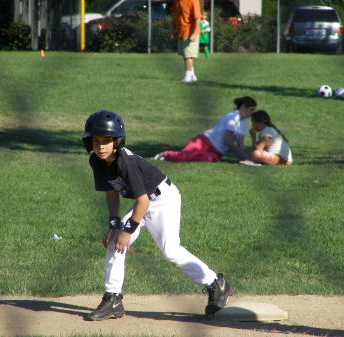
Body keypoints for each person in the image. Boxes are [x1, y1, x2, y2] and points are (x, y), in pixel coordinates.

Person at [83, 110, 233, 321]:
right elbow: (111, 193)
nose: (100, 146)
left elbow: (144, 201)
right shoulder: (96, 161)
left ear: (117, 141)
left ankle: (217, 284)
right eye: (96, 140)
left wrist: (128, 230)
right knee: (114, 243)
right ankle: (113, 299)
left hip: (163, 200)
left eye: (106, 140)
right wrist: (114, 224)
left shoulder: (125, 162)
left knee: (170, 251)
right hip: (142, 202)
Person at [153, 96, 257, 162]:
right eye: (251, 110)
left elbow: (241, 142)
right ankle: (165, 154)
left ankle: (170, 158)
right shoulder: (233, 117)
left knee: (206, 159)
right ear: (243, 107)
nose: (253, 113)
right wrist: (242, 155)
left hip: (217, 152)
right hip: (204, 141)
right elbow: (228, 141)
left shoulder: (245, 121)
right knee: (184, 157)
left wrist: (243, 158)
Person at [172, 0, 201, 83]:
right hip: (181, 32)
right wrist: (174, 30)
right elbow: (176, 16)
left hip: (190, 32)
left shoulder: (193, 1)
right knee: (185, 55)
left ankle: (187, 77)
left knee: (188, 56)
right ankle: (192, 75)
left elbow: (198, 18)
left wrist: (195, 33)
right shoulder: (176, 1)